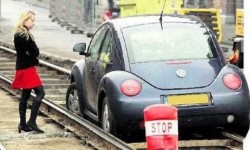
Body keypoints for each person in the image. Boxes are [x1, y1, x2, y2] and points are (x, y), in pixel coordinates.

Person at [11, 10, 45, 133]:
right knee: (40, 93)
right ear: (25, 20)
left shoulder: (24, 34)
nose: (34, 23)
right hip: (26, 69)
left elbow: (32, 52)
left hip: (26, 67)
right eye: (32, 20)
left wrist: (33, 55)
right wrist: (35, 59)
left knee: (25, 96)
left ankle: (23, 124)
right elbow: (32, 53)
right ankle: (31, 121)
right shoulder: (22, 35)